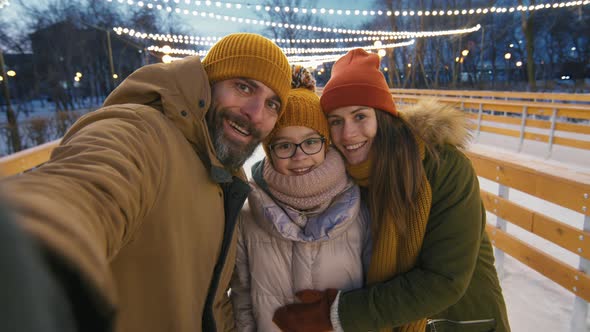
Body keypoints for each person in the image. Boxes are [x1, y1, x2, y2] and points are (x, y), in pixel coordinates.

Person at [0, 33, 291, 332]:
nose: (255, 113)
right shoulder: (144, 131)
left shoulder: (226, 174)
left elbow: (212, 302)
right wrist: (30, 251)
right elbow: (89, 183)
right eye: (243, 87)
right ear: (208, 83)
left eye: (272, 104)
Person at [273, 48, 510, 332]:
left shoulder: (444, 168)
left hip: (460, 321)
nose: (348, 134)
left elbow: (445, 279)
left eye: (360, 116)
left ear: (383, 118)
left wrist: (338, 314)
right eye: (336, 121)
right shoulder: (344, 177)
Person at [230, 65, 371, 332]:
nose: (299, 156)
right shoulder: (248, 215)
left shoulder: (360, 207)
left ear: (326, 142)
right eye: (284, 145)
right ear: (269, 152)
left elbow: (374, 291)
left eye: (310, 142)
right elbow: (242, 296)